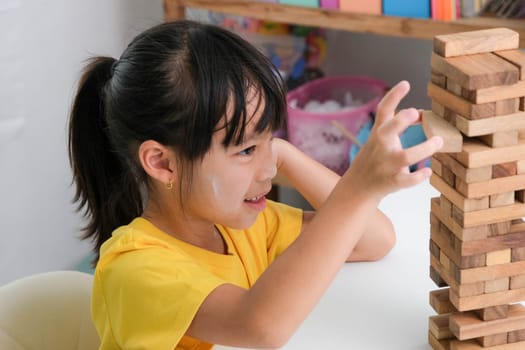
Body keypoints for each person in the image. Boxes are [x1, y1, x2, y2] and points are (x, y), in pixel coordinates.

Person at [68, 20, 442, 349]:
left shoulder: (241, 224)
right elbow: (261, 326)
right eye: (246, 149)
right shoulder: (134, 268)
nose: (267, 170)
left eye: (270, 139)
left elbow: (375, 239)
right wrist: (358, 186)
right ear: (163, 163)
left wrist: (284, 153)